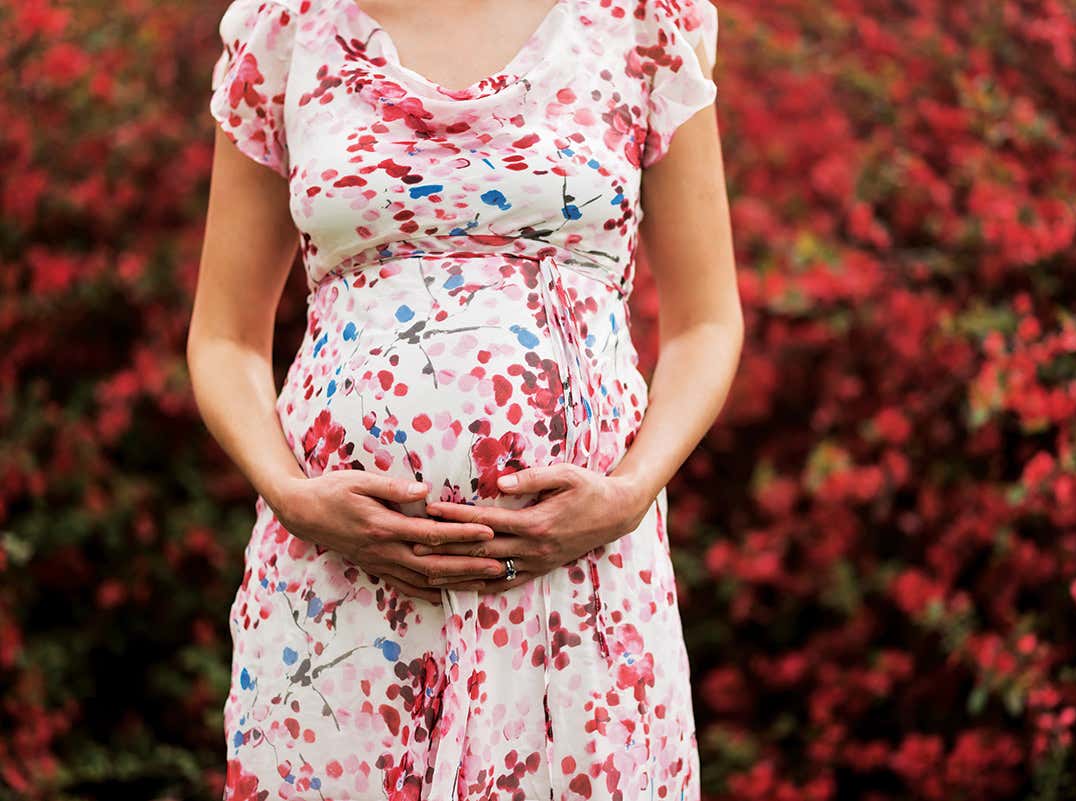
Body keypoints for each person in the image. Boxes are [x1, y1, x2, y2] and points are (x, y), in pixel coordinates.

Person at [187, 0, 742, 797]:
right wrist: (292, 494)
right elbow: (224, 338)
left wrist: (627, 493)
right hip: (339, 593)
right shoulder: (288, 30)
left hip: (582, 595)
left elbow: (707, 322)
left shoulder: (639, 23)